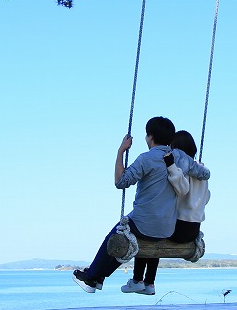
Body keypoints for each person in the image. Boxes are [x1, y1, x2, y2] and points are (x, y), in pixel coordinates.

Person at [72, 117, 208, 293]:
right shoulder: (180, 157)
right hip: (167, 229)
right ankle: (98, 277)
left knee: (115, 235)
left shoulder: (146, 159)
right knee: (122, 239)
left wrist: (121, 151)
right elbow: (204, 174)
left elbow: (120, 182)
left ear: (149, 137)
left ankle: (92, 277)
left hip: (143, 224)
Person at [121, 130, 210, 295]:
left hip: (179, 228)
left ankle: (138, 280)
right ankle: (149, 283)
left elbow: (181, 189)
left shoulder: (178, 168)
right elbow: (207, 198)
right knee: (157, 229)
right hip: (194, 229)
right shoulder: (200, 169)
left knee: (150, 230)